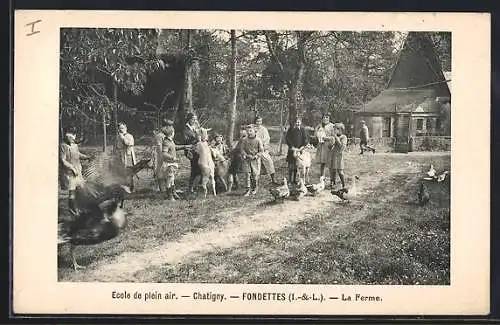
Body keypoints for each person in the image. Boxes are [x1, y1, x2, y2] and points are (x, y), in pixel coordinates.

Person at [59, 126, 90, 214]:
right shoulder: (63, 146)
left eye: (73, 136)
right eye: (69, 137)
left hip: (78, 169)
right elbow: (63, 160)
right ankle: (72, 208)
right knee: (72, 191)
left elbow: (78, 154)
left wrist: (86, 157)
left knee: (81, 188)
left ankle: (80, 206)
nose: (72, 139)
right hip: (69, 172)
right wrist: (72, 168)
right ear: (66, 136)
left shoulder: (74, 145)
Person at [241, 125, 264, 196]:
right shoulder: (244, 140)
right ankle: (247, 189)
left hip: (255, 160)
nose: (249, 132)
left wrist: (256, 156)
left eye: (251, 131)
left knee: (255, 175)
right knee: (247, 174)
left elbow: (261, 150)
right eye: (247, 131)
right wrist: (246, 155)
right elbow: (242, 149)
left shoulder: (258, 140)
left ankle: (254, 188)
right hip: (247, 159)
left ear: (255, 131)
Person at [254, 116, 277, 184]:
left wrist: (263, 146)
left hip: (263, 148)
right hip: (255, 150)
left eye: (260, 121)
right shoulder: (253, 129)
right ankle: (255, 181)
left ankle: (273, 179)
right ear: (255, 122)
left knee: (269, 162)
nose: (259, 123)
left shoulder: (264, 129)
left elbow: (267, 139)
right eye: (257, 121)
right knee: (255, 165)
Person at [158, 127, 180, 201]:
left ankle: (173, 193)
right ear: (171, 133)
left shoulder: (171, 141)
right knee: (169, 179)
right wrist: (172, 157)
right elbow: (164, 153)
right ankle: (169, 195)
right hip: (169, 164)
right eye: (174, 132)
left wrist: (184, 146)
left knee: (172, 179)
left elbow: (174, 147)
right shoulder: (166, 142)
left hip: (172, 163)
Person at [286, 118, 309, 185]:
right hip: (292, 150)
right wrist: (292, 147)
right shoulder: (291, 129)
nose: (297, 123)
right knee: (291, 165)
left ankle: (294, 180)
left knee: (297, 165)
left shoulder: (302, 130)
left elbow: (305, 139)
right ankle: (290, 180)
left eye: (298, 122)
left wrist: (301, 148)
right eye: (296, 122)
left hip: (299, 150)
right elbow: (287, 139)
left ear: (301, 122)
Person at [115, 122, 137, 190]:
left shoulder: (130, 136)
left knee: (129, 172)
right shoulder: (118, 136)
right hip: (120, 156)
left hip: (128, 156)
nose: (121, 130)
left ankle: (131, 187)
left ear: (126, 128)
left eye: (122, 128)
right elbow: (116, 146)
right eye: (119, 128)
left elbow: (127, 144)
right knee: (121, 172)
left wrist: (123, 137)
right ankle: (124, 188)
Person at [184, 112, 201, 193]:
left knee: (200, 165)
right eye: (193, 119)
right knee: (194, 167)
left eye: (195, 119)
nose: (195, 120)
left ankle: (198, 185)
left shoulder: (196, 127)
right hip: (190, 150)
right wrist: (196, 138)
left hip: (198, 149)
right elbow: (186, 140)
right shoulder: (186, 128)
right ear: (189, 119)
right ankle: (190, 187)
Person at [315, 114, 335, 179]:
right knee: (322, 162)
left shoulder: (332, 126)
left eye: (327, 117)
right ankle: (322, 177)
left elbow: (334, 137)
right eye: (324, 117)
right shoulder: (320, 126)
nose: (325, 119)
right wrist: (317, 131)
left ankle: (332, 179)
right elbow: (316, 134)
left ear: (329, 118)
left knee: (330, 162)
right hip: (322, 146)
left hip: (329, 145)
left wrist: (327, 138)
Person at [227, 128, 247, 193]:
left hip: (239, 157)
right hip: (239, 156)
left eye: (243, 132)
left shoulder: (243, 140)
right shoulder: (243, 139)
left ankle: (229, 189)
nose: (241, 132)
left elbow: (238, 149)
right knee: (234, 172)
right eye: (241, 131)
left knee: (231, 172)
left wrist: (229, 153)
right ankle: (237, 186)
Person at [330, 123, 348, 190]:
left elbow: (341, 146)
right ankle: (333, 183)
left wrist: (335, 137)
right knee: (333, 170)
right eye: (333, 129)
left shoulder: (343, 137)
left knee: (340, 171)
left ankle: (344, 184)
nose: (334, 130)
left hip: (339, 155)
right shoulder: (335, 137)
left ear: (340, 130)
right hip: (334, 154)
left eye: (335, 129)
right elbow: (331, 146)